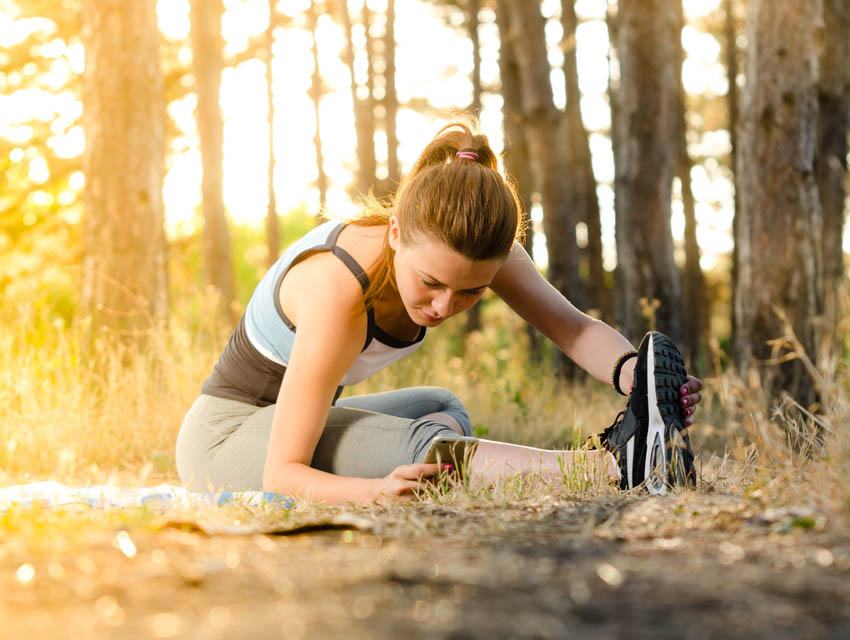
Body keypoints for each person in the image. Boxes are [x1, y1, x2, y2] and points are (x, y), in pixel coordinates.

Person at [175, 122, 703, 504]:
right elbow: (281, 474)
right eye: (431, 283)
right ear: (397, 233)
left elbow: (574, 328)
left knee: (441, 405)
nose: (445, 306)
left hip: (290, 424)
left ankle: (634, 452)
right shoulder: (339, 289)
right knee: (426, 449)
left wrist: (637, 377)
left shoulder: (475, 249)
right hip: (223, 443)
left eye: (471, 292)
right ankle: (611, 468)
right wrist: (371, 490)